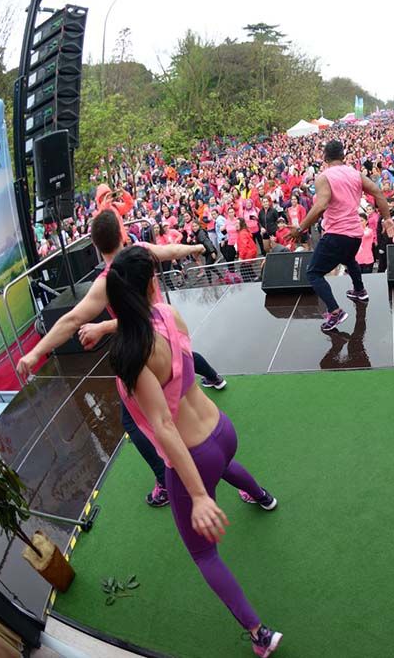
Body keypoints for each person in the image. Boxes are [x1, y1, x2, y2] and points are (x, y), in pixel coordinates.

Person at [105, 246, 283, 658]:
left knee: (203, 553)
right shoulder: (168, 314)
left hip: (193, 453)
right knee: (223, 466)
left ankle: (259, 634)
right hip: (222, 430)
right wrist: (106, 330)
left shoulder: (130, 357)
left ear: (113, 303)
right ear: (151, 287)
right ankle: (262, 496)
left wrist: (200, 497)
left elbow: (164, 428)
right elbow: (142, 321)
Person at [16, 211, 230, 508]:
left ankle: (164, 480)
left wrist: (37, 351)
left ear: (94, 244)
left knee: (134, 420)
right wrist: (195, 248)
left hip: (143, 345)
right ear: (122, 234)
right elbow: (170, 251)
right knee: (184, 361)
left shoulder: (107, 281)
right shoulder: (140, 252)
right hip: (167, 329)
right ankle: (215, 381)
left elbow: (73, 318)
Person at [289, 140, 392, 331]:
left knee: (313, 273)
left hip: (336, 234)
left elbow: (321, 206)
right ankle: (360, 291)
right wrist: (387, 219)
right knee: (349, 259)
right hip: (355, 233)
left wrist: (300, 228)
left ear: (324, 157)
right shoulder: (355, 173)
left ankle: (335, 312)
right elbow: (378, 192)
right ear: (343, 156)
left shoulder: (324, 177)